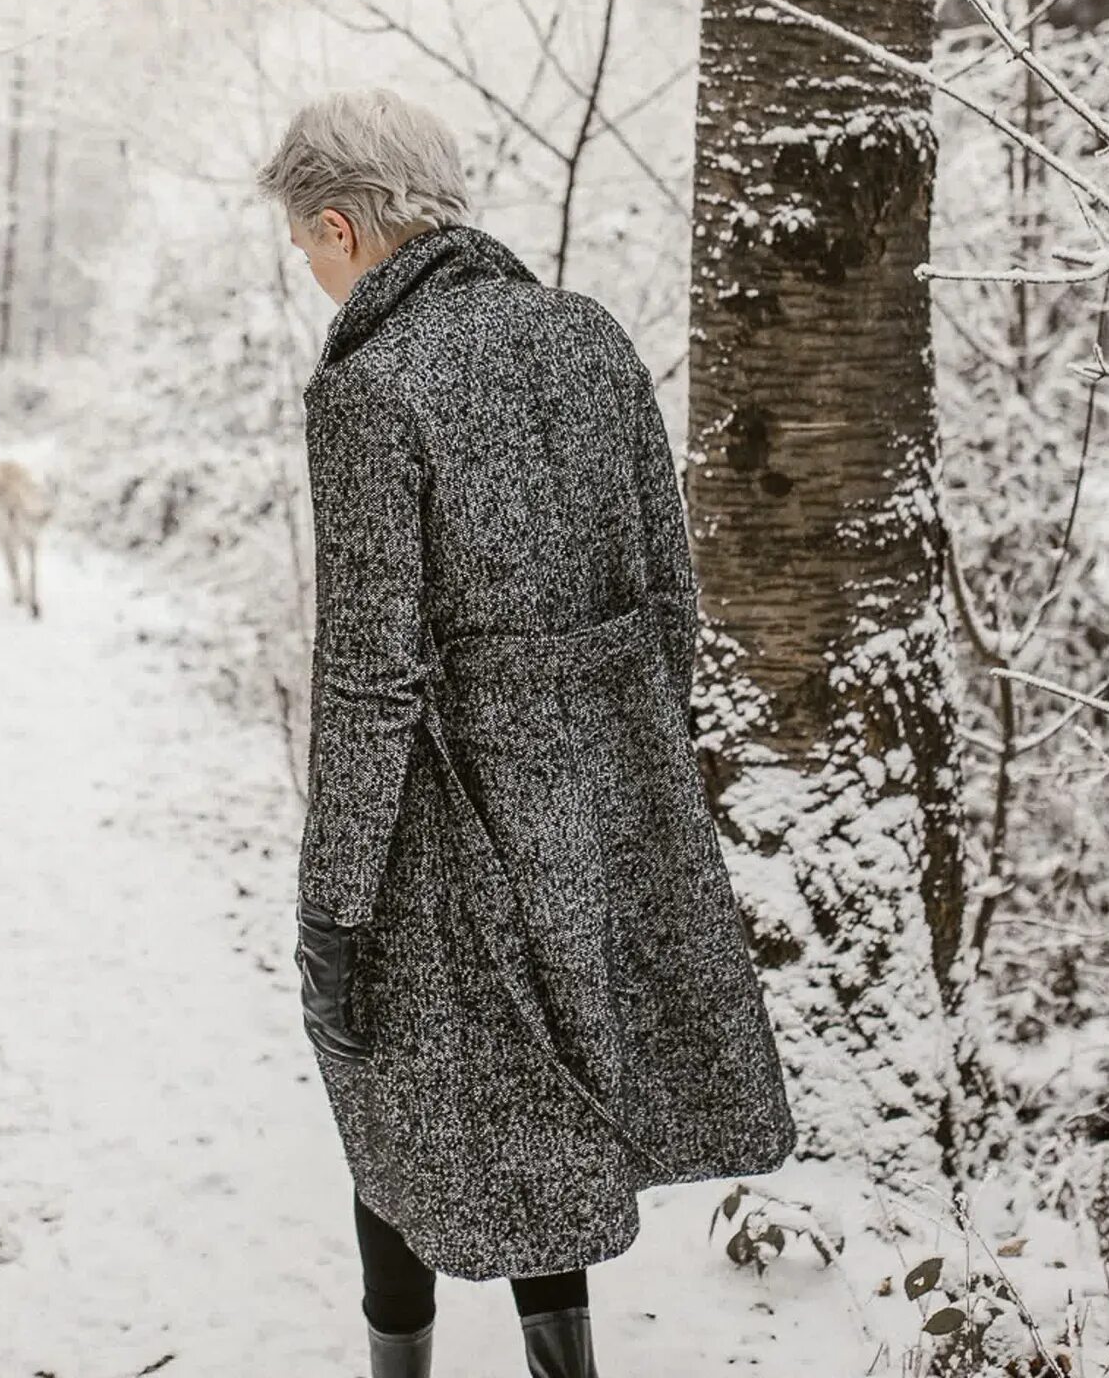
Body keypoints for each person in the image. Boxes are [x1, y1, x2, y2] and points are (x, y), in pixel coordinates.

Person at [255, 89, 797, 1378]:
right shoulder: (590, 337)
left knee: (391, 1095)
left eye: (304, 246)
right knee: (537, 1116)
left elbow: (370, 675)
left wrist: (333, 904)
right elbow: (673, 595)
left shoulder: (371, 387)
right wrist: (620, 771)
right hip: (603, 816)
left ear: (343, 226)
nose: (308, 272)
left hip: (439, 827)